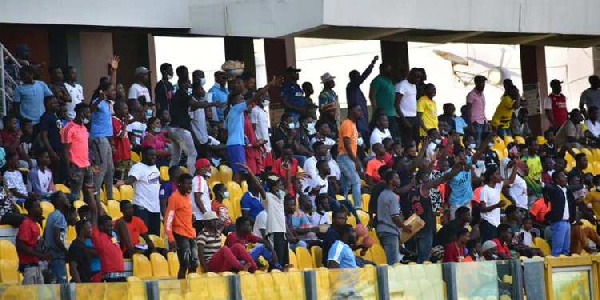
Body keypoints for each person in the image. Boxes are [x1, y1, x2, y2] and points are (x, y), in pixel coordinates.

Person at [226, 78, 278, 182]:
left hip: (236, 144)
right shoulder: (236, 109)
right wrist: (269, 85)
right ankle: (239, 192)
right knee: (239, 171)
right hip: (236, 144)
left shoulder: (233, 113)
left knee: (240, 171)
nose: (243, 101)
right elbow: (255, 97)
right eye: (241, 99)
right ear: (235, 102)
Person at [119, 147, 161, 236]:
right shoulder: (138, 167)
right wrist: (123, 182)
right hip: (142, 206)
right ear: (144, 155)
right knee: (143, 235)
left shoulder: (155, 167)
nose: (153, 157)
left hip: (155, 208)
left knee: (155, 236)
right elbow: (132, 179)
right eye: (151, 155)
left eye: (155, 155)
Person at [165, 174, 197, 279]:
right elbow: (168, 220)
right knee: (185, 264)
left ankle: (192, 288)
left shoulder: (187, 196)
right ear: (180, 184)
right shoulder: (174, 198)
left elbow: (185, 212)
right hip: (180, 234)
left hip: (191, 233)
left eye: (191, 184)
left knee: (194, 263)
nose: (190, 186)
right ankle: (182, 290)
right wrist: (171, 239)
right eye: (188, 184)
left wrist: (191, 216)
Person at [377, 171, 412, 265]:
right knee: (393, 263)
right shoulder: (392, 196)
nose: (399, 180)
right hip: (389, 231)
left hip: (383, 229)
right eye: (396, 178)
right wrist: (405, 227)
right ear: (390, 181)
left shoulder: (382, 194)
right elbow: (395, 217)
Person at [89, 81, 115, 200]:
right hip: (99, 137)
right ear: (105, 92)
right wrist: (99, 99)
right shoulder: (98, 102)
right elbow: (91, 109)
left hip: (107, 139)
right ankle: (95, 198)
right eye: (111, 90)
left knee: (110, 169)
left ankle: (110, 199)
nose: (114, 92)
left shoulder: (107, 103)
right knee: (101, 168)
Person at [17, 197, 49, 284]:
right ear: (31, 209)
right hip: (28, 266)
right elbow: (21, 245)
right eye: (38, 206)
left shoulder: (35, 224)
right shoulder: (26, 224)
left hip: (36, 264)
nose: (41, 208)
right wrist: (40, 255)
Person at [480, 165, 516, 242]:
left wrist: (515, 165)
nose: (500, 176)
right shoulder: (485, 190)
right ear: (491, 177)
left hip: (496, 224)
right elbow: (482, 209)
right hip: (488, 223)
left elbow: (511, 180)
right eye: (497, 174)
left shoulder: (498, 186)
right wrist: (497, 205)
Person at [338, 104, 364, 208]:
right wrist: (356, 160)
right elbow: (346, 144)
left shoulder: (352, 124)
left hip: (348, 157)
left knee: (345, 185)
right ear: (352, 111)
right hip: (345, 157)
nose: (361, 113)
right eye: (358, 110)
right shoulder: (347, 124)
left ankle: (344, 205)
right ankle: (358, 207)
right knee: (356, 181)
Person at [347, 56, 378, 142]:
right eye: (358, 76)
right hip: (358, 120)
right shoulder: (352, 86)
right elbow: (363, 77)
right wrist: (372, 64)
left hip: (362, 118)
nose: (359, 78)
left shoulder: (356, 88)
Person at [545, 172, 576, 256]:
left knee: (566, 250)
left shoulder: (566, 190)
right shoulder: (554, 189)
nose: (565, 177)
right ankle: (554, 267)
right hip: (559, 222)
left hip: (567, 222)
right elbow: (547, 187)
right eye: (562, 176)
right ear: (557, 180)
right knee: (557, 249)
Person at [43, 192, 71, 283]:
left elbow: (44, 235)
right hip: (57, 256)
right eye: (64, 197)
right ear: (59, 201)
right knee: (62, 286)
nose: (67, 199)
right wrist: (66, 252)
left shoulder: (51, 215)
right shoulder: (59, 216)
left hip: (51, 255)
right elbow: (57, 239)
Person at [38, 95, 65, 183]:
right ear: (48, 105)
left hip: (60, 149)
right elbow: (44, 136)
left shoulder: (55, 116)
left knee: (61, 175)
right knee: (55, 176)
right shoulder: (46, 117)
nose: (57, 105)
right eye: (54, 103)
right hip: (53, 150)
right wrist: (51, 152)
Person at [369, 63, 398, 138]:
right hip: (383, 115)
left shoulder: (389, 81)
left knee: (393, 137)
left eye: (390, 69)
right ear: (382, 69)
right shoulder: (377, 80)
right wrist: (376, 112)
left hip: (393, 114)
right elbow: (372, 96)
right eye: (388, 69)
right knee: (384, 138)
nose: (390, 71)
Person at [396, 68, 423, 144]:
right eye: (416, 77)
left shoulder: (414, 85)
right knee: (408, 142)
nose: (418, 79)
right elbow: (396, 104)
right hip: (405, 118)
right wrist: (404, 120)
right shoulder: (402, 85)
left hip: (414, 117)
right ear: (410, 75)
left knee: (417, 140)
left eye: (419, 77)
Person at [112, 101, 132, 179]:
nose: (127, 111)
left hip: (127, 155)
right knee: (120, 179)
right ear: (117, 110)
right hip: (120, 156)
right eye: (125, 108)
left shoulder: (121, 121)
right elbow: (120, 136)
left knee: (127, 180)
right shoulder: (114, 120)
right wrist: (125, 124)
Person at [192, 159, 212, 232]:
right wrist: (207, 215)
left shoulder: (201, 180)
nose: (210, 169)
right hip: (200, 217)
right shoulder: (199, 179)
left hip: (200, 217)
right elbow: (197, 199)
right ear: (201, 168)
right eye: (207, 166)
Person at [466, 75, 487, 146]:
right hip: (476, 122)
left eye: (484, 83)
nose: (483, 85)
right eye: (481, 83)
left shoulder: (482, 94)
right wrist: (470, 124)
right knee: (477, 143)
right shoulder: (471, 94)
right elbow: (468, 110)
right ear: (476, 83)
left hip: (484, 121)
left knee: (484, 143)